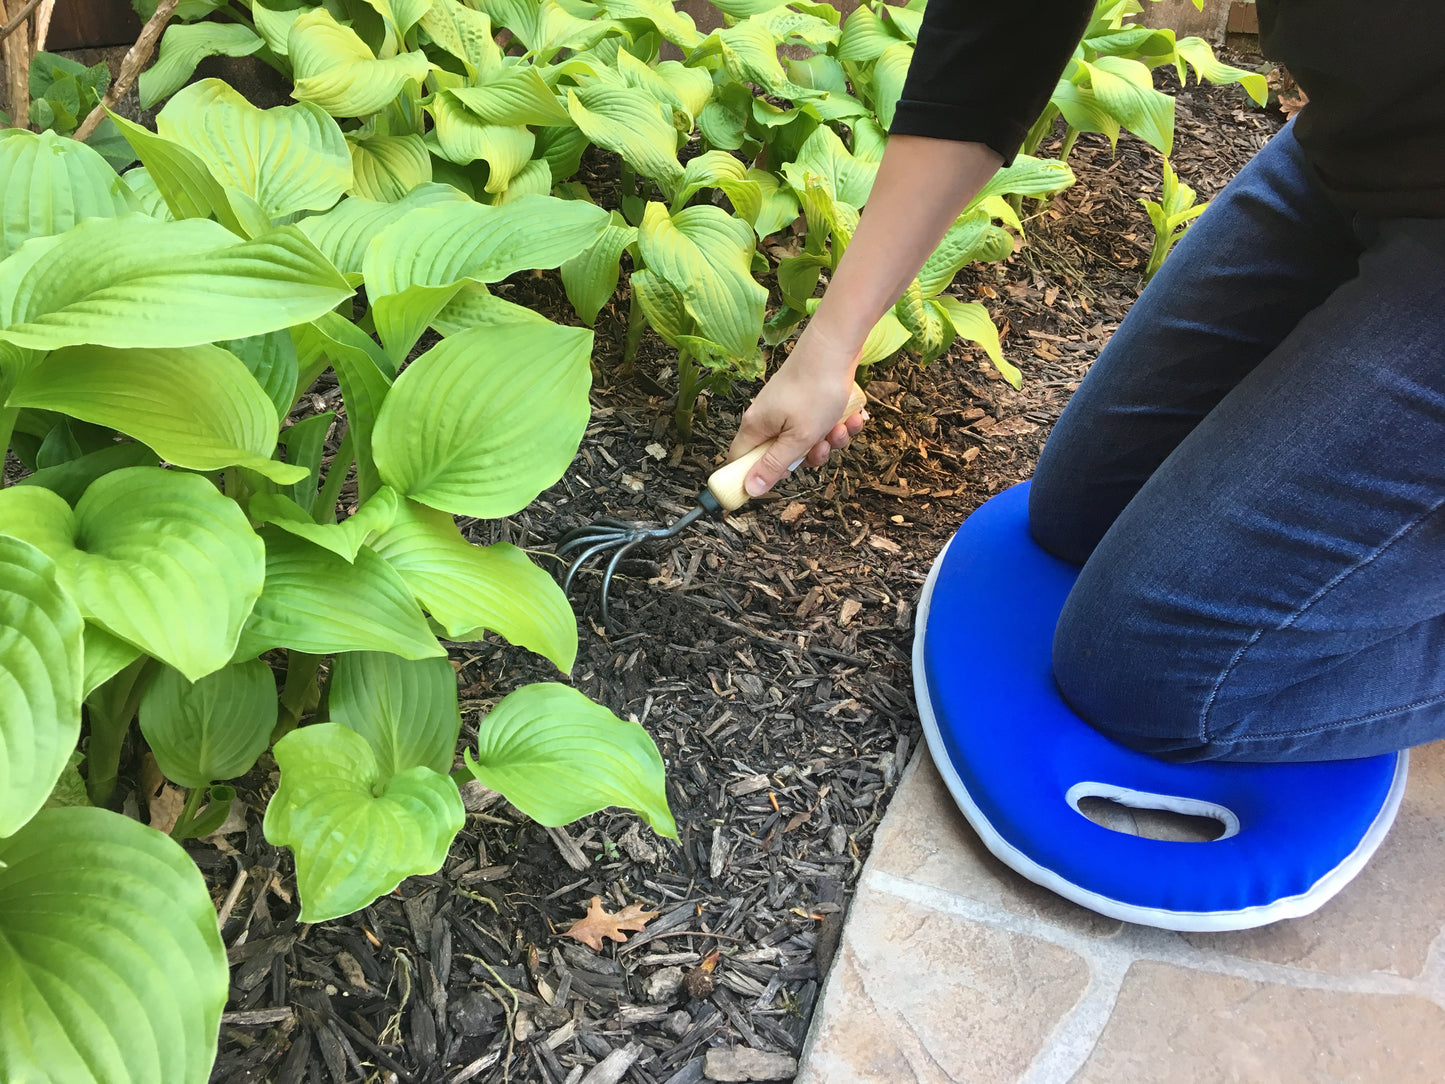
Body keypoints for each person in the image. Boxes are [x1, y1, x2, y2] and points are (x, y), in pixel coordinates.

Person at [725, 1, 1445, 763]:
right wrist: (828, 347)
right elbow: (997, 35)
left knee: (1149, 672)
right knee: (1078, 511)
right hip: (1356, 149)